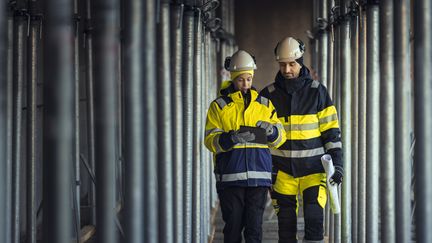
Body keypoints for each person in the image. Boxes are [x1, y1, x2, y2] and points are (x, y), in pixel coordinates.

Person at [259, 37, 344, 243]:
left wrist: (338, 165)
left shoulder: (318, 92)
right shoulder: (267, 96)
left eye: (292, 64)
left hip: (314, 171)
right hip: (281, 172)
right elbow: (259, 140)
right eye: (282, 65)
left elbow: (331, 133)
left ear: (301, 61)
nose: (287, 69)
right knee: (286, 230)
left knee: (315, 224)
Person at [204, 50, 286, 243]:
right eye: (241, 80)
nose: (246, 84)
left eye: (249, 79)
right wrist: (230, 138)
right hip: (231, 179)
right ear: (233, 79)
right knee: (232, 230)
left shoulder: (264, 105)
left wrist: (271, 132)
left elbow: (280, 137)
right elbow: (210, 140)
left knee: (254, 231)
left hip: (259, 179)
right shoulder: (220, 106)